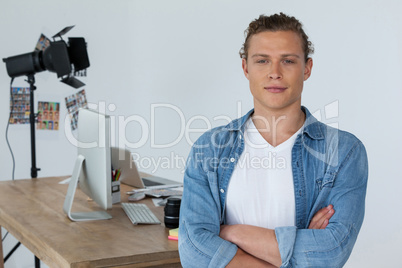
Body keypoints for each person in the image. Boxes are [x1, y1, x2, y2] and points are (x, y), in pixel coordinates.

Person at [178, 13, 368, 268]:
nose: (274, 73)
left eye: (288, 61)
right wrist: (296, 250)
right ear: (246, 68)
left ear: (307, 68)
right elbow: (193, 251)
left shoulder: (343, 151)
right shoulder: (209, 147)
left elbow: (330, 252)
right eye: (262, 61)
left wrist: (231, 233)